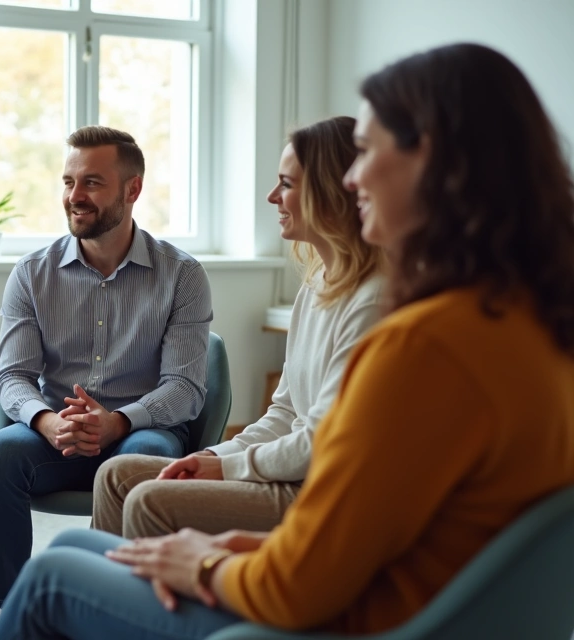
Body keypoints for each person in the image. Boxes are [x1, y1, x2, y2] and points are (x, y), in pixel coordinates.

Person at [0, 43, 574, 640]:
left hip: (345, 620)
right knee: (86, 547)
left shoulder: (422, 344)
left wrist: (210, 562)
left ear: (435, 164)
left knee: (56, 573)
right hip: (401, 598)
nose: (352, 178)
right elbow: (361, 523)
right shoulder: (524, 322)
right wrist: (246, 540)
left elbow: (303, 579)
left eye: (366, 153)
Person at [93, 116, 384, 539]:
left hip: (321, 489)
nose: (272, 197)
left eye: (286, 184)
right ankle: (100, 596)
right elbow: (285, 412)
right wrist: (214, 455)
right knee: (118, 474)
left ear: (331, 192)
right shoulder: (316, 285)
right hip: (288, 469)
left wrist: (226, 468)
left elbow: (323, 440)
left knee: (149, 498)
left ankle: (137, 601)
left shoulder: (370, 301)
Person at [0, 125, 214, 611]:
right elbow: (12, 376)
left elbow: (185, 388)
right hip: (56, 434)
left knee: (143, 460)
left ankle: (114, 604)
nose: (74, 196)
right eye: (68, 182)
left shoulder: (182, 275)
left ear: (133, 189)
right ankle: (16, 605)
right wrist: (48, 420)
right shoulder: (31, 273)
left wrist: (118, 422)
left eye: (91, 183)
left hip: (141, 429)